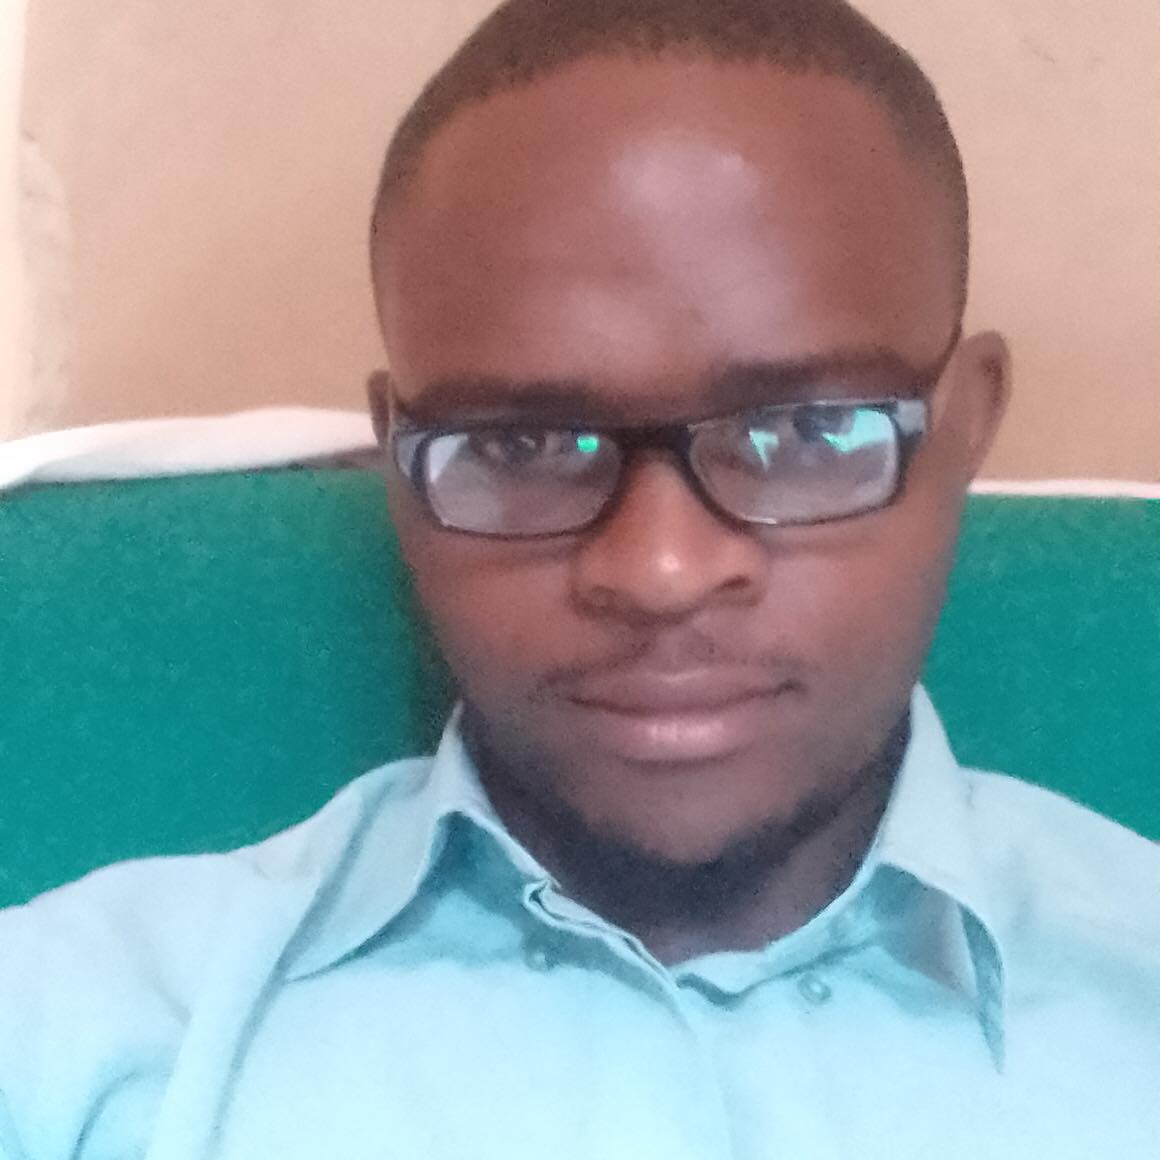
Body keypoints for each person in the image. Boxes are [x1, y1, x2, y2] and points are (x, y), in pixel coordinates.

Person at [2, 1, 1158, 1156]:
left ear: (963, 427)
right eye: (523, 445)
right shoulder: (75, 1033)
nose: (658, 571)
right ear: (398, 460)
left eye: (801, 431)